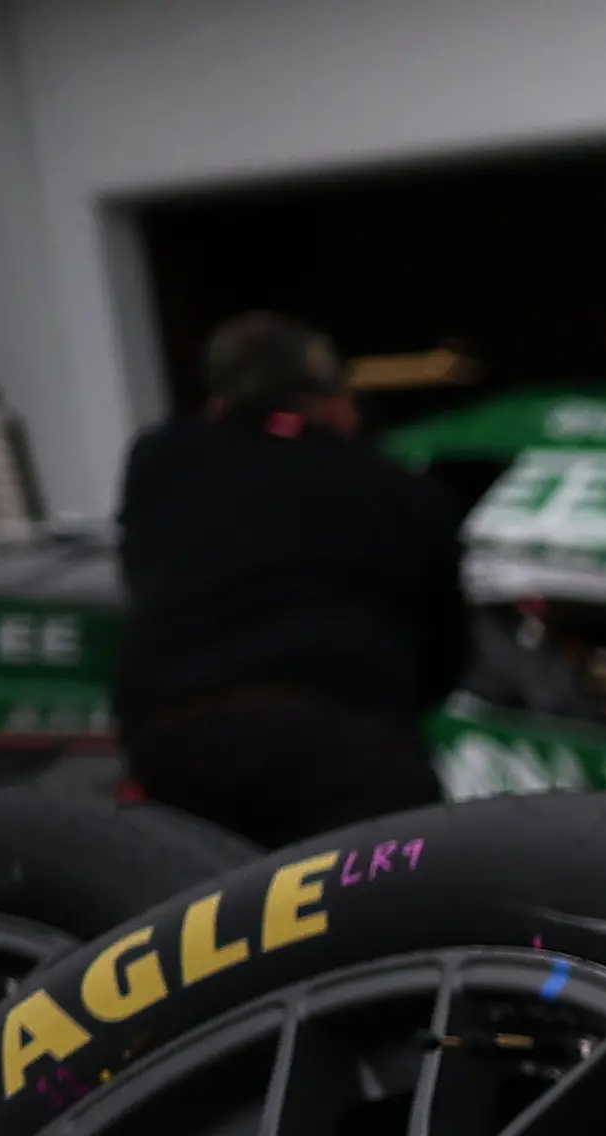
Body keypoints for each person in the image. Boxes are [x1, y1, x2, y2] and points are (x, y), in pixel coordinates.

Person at [110, 314, 467, 841]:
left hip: (181, 744)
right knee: (391, 904)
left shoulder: (163, 463)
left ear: (219, 399)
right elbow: (443, 656)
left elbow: (142, 578)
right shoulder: (396, 490)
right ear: (332, 401)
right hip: (346, 747)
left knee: (196, 902)